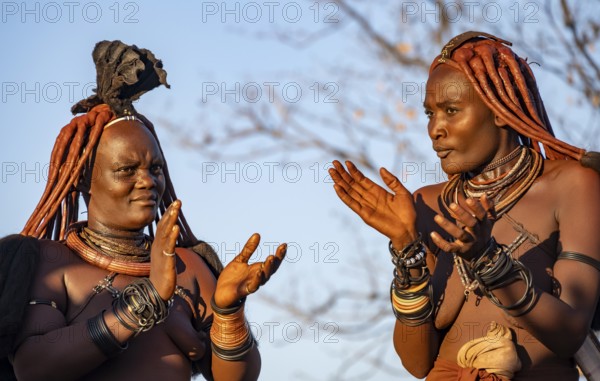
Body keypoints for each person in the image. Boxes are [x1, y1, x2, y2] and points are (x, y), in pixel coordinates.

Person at [2, 40, 287, 381]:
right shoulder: (50, 263)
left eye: (156, 169)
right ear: (83, 180)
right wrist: (148, 299)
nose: (148, 181)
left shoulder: (190, 267)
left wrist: (228, 312)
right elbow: (34, 368)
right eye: (126, 170)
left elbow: (234, 379)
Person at [329, 31, 600, 380]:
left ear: (500, 110)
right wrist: (406, 250)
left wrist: (488, 260)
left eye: (451, 110)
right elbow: (416, 363)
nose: (434, 129)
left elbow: (570, 332)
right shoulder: (427, 204)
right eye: (430, 113)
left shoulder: (574, 185)